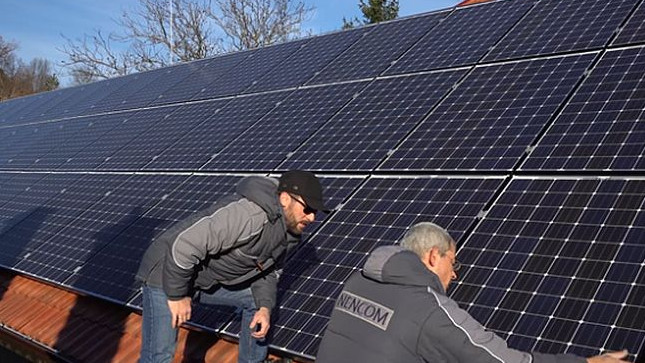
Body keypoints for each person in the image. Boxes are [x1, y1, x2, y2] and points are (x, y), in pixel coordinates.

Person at [316, 222, 631, 363]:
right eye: (453, 262)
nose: (454, 274)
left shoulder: (357, 281)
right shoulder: (427, 310)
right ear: (432, 257)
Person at [136, 170, 329, 363]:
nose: (312, 218)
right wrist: (177, 294)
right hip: (167, 271)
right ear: (285, 199)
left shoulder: (289, 236)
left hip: (203, 279)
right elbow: (185, 246)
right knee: (159, 356)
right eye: (308, 209)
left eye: (316, 212)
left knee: (258, 302)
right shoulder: (249, 215)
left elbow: (267, 272)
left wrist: (264, 307)